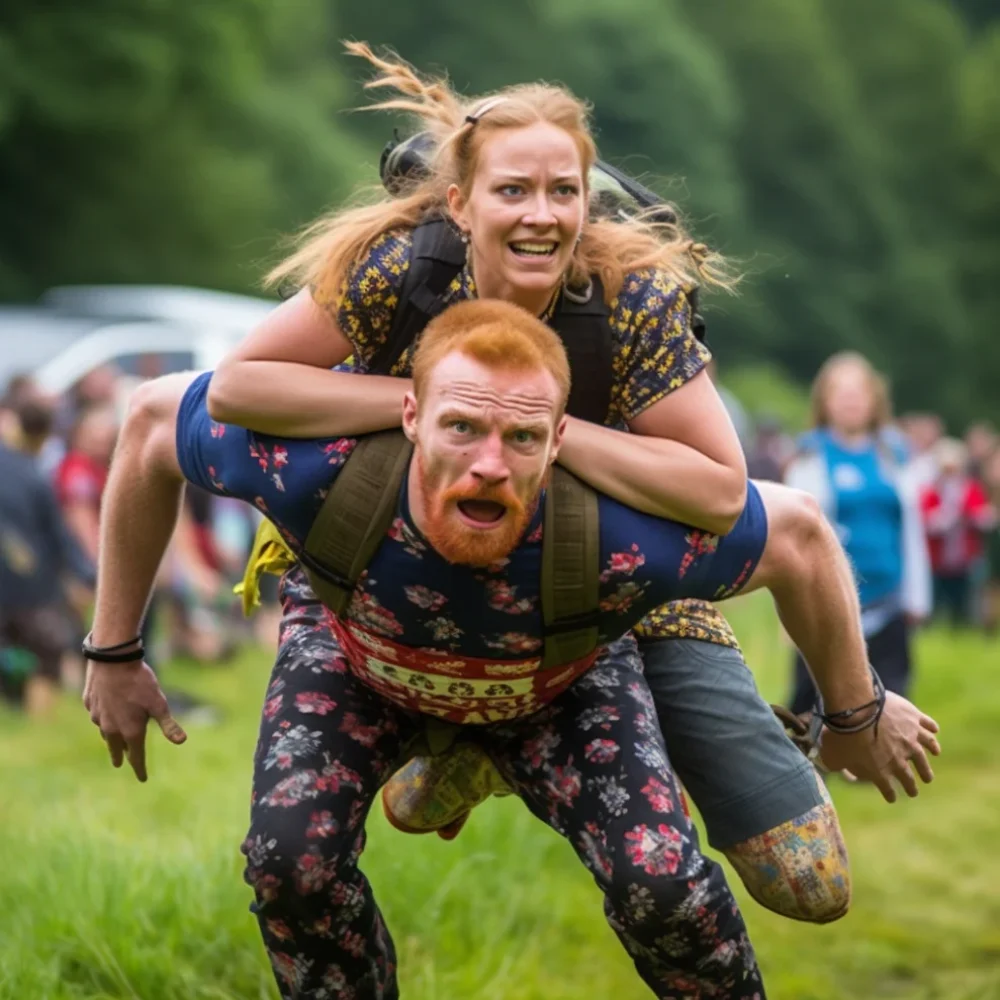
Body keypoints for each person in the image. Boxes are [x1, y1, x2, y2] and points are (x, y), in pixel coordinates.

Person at [83, 300, 939, 1000]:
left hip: (559, 678)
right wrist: (113, 650)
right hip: (362, 658)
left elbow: (797, 536)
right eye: (461, 430)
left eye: (522, 440)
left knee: (706, 887)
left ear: (559, 441)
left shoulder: (615, 529)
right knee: (288, 861)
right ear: (409, 415)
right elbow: (155, 420)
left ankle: (486, 756)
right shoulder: (322, 470)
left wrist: (855, 712)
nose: (490, 464)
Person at [205, 42, 861, 930]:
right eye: (513, 190)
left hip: (612, 588)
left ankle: (482, 747)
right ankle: (477, 735)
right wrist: (432, 400)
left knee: (810, 882)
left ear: (588, 202)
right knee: (292, 854)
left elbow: (720, 489)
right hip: (395, 574)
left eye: (564, 193)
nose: (541, 216)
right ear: (459, 204)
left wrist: (549, 431)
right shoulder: (406, 269)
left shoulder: (629, 300)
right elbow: (238, 387)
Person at [785, 353, 931, 713]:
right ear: (825, 401)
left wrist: (917, 597)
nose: (851, 400)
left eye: (858, 392)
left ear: (874, 400)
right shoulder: (809, 457)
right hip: (826, 612)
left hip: (888, 608)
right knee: (814, 717)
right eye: (841, 392)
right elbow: (793, 538)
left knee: (890, 714)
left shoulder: (894, 455)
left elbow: (910, 530)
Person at [0, 402, 95, 714]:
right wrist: (86, 574)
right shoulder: (30, 472)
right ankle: (38, 723)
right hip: (32, 589)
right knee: (45, 655)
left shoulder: (28, 470)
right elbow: (59, 533)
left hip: (23, 584)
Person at [921, 437, 997, 627]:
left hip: (965, 556)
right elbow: (926, 522)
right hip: (937, 558)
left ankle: (965, 627)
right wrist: (945, 518)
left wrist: (974, 517)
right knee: (937, 599)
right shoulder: (931, 490)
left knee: (965, 600)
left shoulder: (970, 488)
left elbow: (984, 517)